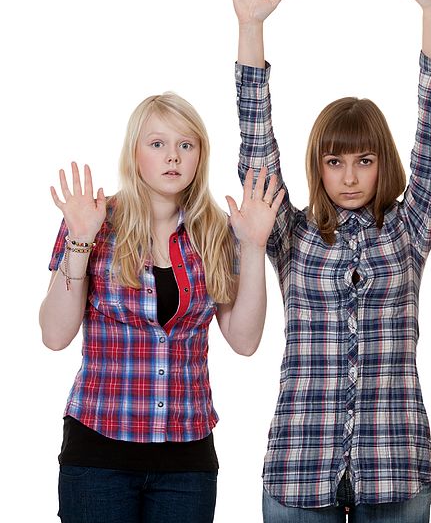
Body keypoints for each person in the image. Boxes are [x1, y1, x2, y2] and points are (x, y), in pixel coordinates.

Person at [230, 0, 431, 522]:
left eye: (363, 160)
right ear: (318, 167)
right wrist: (250, 29)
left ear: (382, 162)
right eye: (334, 162)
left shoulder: (409, 227)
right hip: (301, 465)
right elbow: (257, 148)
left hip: (395, 465)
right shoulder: (292, 233)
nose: (349, 176)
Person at [40, 93, 284, 523]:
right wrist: (80, 240)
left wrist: (254, 246)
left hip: (186, 463)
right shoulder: (95, 221)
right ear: (134, 153)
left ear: (199, 156)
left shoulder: (217, 231)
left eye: (185, 145)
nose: (173, 156)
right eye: (157, 144)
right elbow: (55, 334)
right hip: (99, 454)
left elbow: (244, 341)